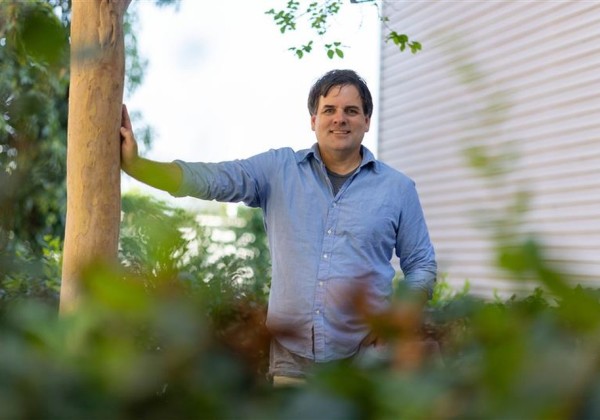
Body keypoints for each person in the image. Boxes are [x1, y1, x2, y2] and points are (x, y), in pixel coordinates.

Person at [120, 69, 437, 385]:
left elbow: (421, 265)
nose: (340, 118)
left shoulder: (398, 189)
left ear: (367, 121)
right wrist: (138, 166)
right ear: (313, 120)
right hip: (292, 356)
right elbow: (212, 179)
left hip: (366, 358)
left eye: (351, 111)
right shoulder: (278, 170)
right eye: (329, 110)